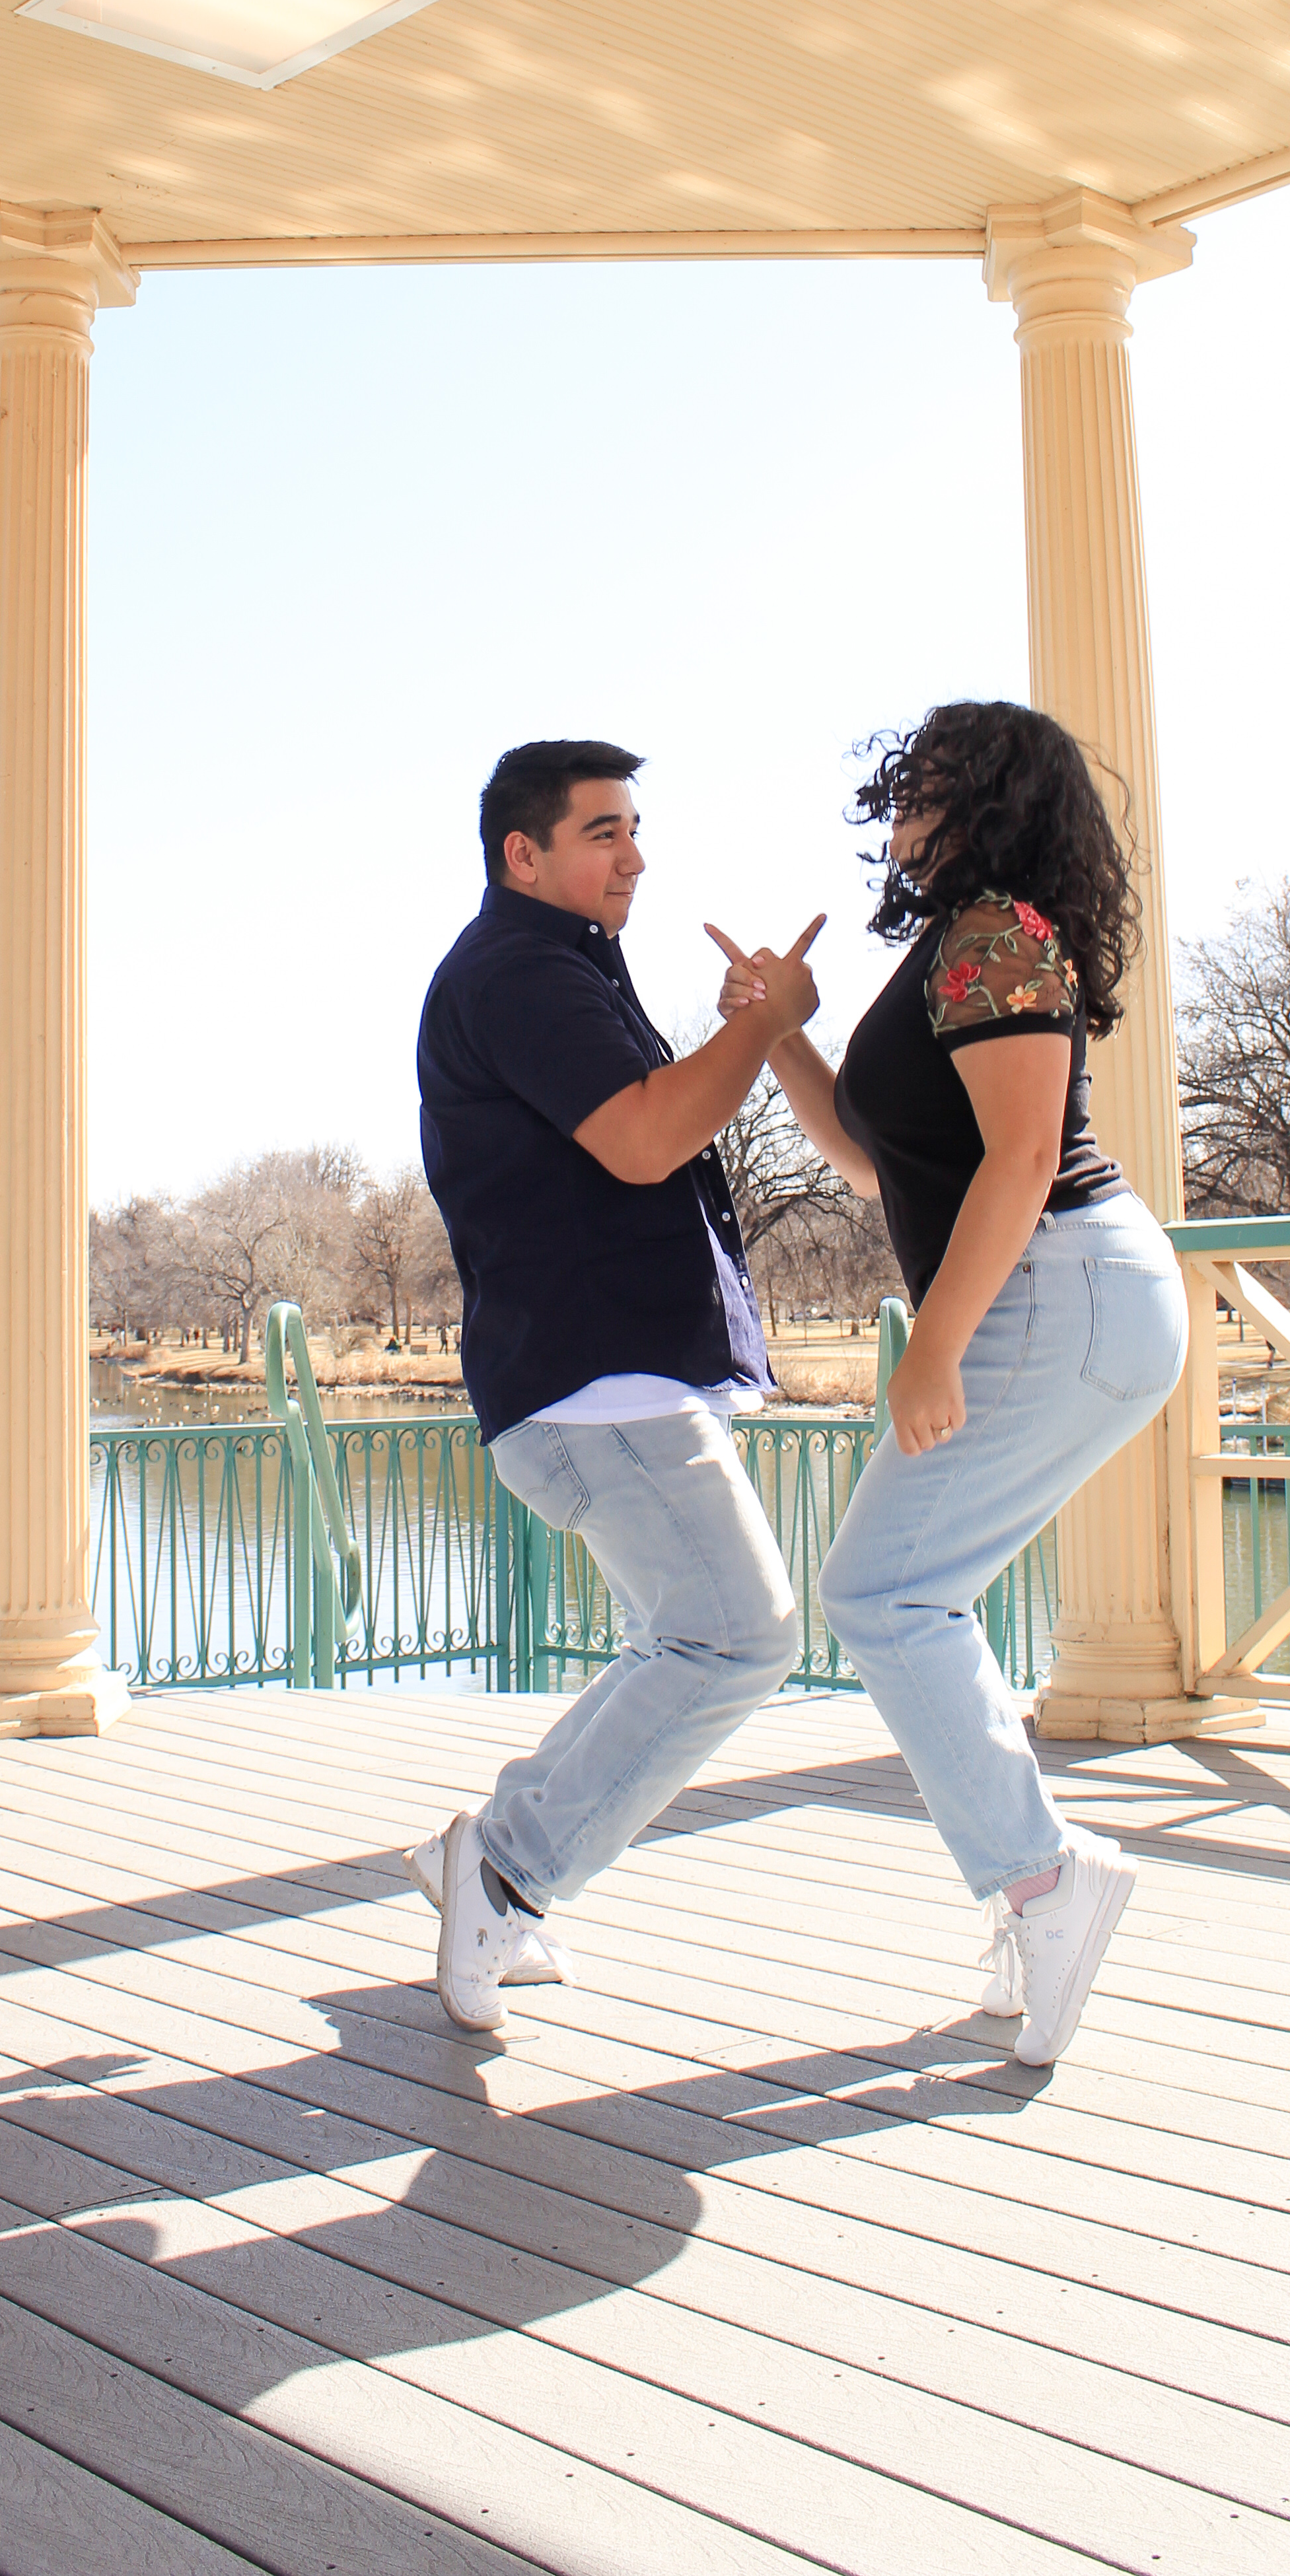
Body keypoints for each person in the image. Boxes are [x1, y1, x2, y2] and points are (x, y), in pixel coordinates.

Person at [717, 699, 1186, 2066]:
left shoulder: (998, 935)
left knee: (882, 1592)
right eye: (902, 791)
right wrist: (787, 1029)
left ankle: (1044, 1881)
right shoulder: (961, 945)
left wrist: (933, 1345)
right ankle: (1036, 1885)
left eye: (927, 790)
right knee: (904, 1594)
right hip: (1065, 1291)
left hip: (1065, 1283)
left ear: (986, 802)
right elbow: (879, 1161)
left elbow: (1026, 1158)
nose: (902, 816)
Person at [413, 738, 824, 2035]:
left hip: (608, 1382)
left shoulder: (558, 969)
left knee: (694, 1636)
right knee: (736, 1636)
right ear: (520, 853)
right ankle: (506, 1870)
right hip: (597, 1386)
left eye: (635, 830)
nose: (633, 856)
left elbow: (648, 1122)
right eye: (602, 832)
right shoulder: (524, 972)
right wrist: (759, 1025)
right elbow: (649, 1139)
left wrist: (741, 1032)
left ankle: (488, 1864)